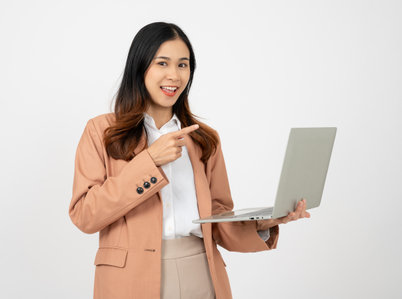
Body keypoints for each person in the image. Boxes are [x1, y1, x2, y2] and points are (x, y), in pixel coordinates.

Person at [69, 21, 310, 299]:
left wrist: (265, 222)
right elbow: (85, 215)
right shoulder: (102, 132)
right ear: (140, 67)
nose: (174, 75)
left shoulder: (204, 139)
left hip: (201, 271)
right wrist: (149, 162)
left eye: (183, 65)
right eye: (163, 63)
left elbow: (217, 221)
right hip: (129, 279)